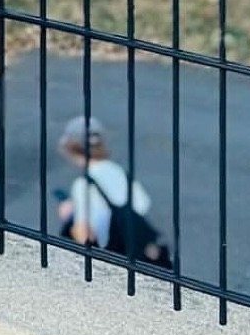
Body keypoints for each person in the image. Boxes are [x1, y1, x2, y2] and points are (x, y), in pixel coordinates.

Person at [55, 114, 173, 269]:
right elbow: (142, 206)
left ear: (69, 148)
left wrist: (70, 218)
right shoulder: (119, 172)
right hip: (138, 252)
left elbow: (84, 235)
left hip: (112, 255)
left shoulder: (83, 185)